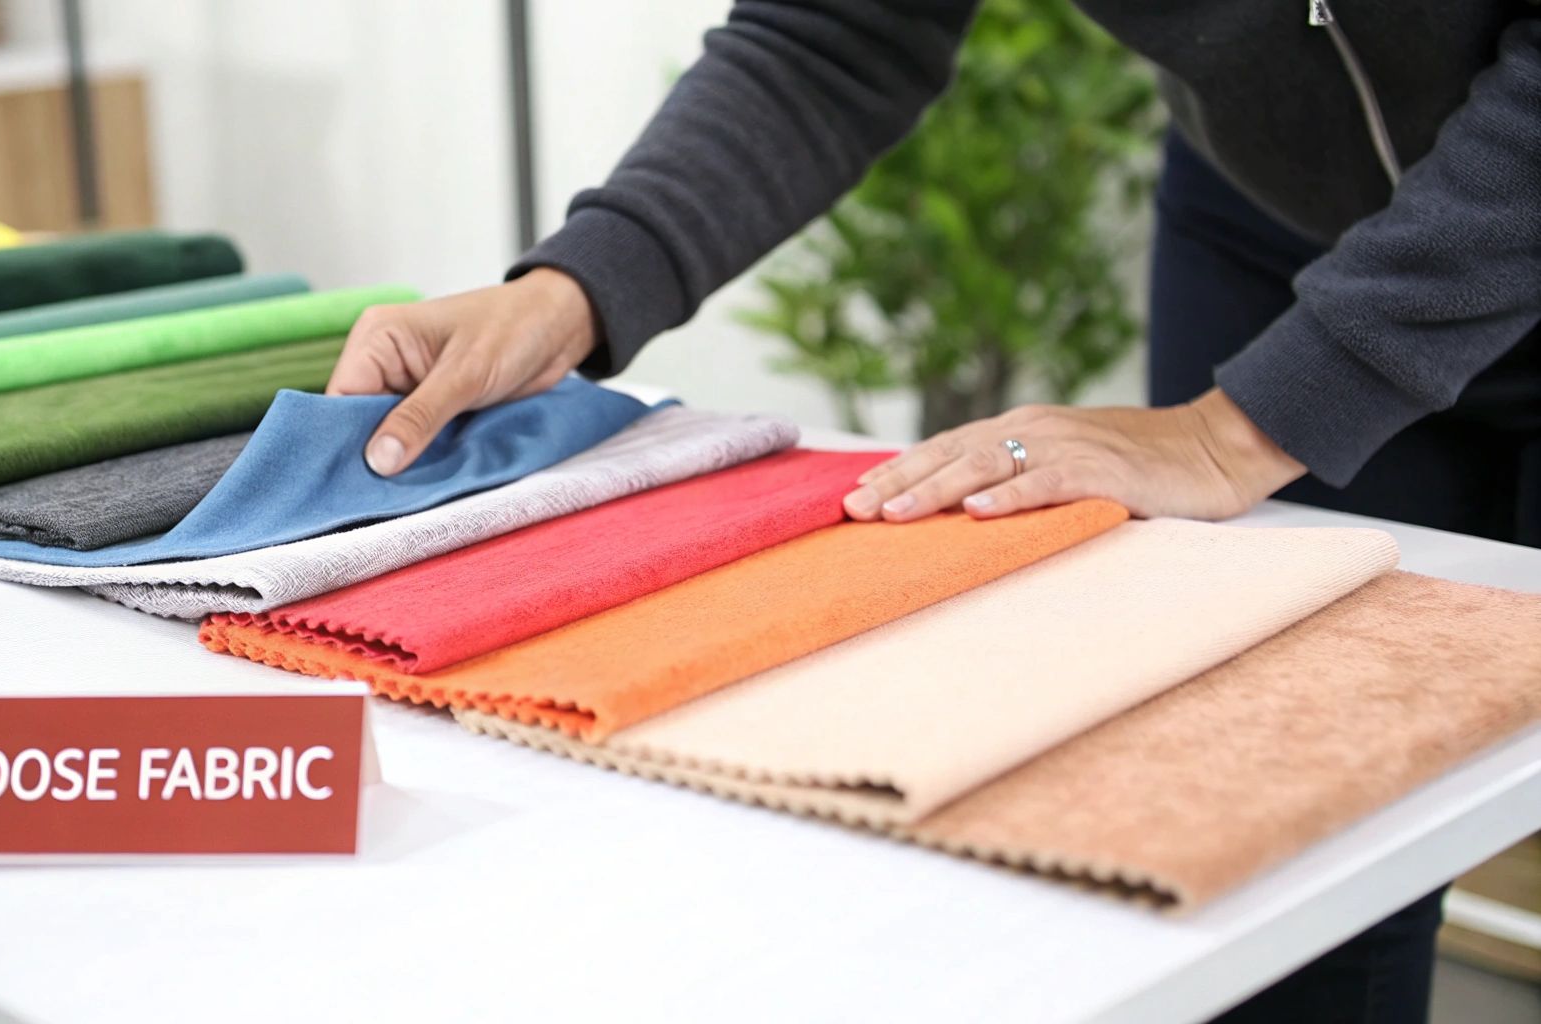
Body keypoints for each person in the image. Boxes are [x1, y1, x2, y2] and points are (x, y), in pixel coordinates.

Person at [325, 4, 1540, 1021]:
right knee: (1294, 852)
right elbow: (836, 33)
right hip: (1274, 227)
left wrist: (1235, 432)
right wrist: (573, 288)